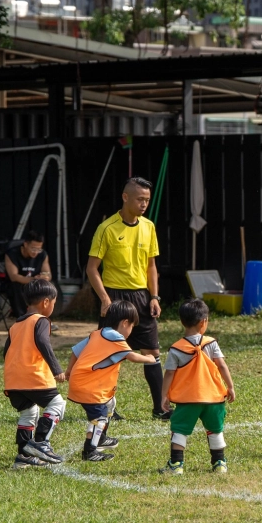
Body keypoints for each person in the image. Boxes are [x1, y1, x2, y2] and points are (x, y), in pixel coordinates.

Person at [86, 177, 167, 421]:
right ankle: (106, 408)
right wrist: (104, 299)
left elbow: (151, 265)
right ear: (125, 197)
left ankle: (160, 408)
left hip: (141, 297)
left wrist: (154, 296)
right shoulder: (107, 228)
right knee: (109, 353)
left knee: (152, 351)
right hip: (115, 297)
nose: (144, 204)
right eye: (140, 199)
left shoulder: (149, 226)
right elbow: (92, 268)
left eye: (147, 200)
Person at [65, 301, 157, 462]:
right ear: (125, 323)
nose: (130, 331)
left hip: (86, 383)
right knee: (99, 417)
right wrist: (149, 358)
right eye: (132, 327)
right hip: (89, 387)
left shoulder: (98, 333)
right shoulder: (115, 337)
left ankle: (101, 438)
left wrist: (69, 371)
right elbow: (132, 356)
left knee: (109, 404)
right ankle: (90, 451)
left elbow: (76, 350)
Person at [159, 299, 236, 475]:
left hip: (188, 400)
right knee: (215, 429)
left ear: (181, 321)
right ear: (203, 322)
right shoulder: (211, 343)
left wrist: (164, 395)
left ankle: (176, 465)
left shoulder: (176, 349)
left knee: (179, 430)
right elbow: (222, 366)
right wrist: (230, 386)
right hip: (214, 399)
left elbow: (169, 373)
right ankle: (219, 463)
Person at [2, 279, 66, 469]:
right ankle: (40, 444)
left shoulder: (15, 326)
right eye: (54, 303)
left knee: (29, 412)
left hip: (13, 381)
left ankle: (23, 456)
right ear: (46, 302)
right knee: (57, 403)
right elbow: (42, 342)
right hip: (33, 377)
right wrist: (56, 369)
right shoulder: (41, 320)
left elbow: (6, 352)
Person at [4, 230, 51, 317]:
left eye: (39, 249)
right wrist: (33, 280)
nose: (36, 252)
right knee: (15, 286)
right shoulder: (12, 254)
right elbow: (13, 276)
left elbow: (48, 273)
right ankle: (23, 317)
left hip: (35, 284)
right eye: (33, 248)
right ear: (25, 244)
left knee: (49, 287)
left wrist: (44, 277)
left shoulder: (43, 255)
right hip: (17, 284)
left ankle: (43, 317)